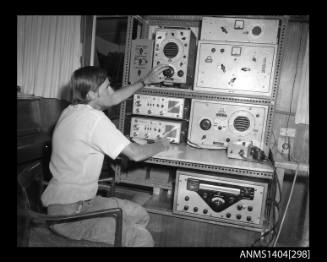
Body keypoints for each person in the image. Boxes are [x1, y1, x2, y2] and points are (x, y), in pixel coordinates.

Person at [41, 64, 171, 247]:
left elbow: (114, 98)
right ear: (92, 95)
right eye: (107, 87)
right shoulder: (94, 119)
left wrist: (144, 81)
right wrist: (162, 144)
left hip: (79, 203)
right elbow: (136, 154)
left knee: (140, 215)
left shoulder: (72, 110)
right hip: (70, 216)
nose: (112, 90)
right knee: (142, 239)